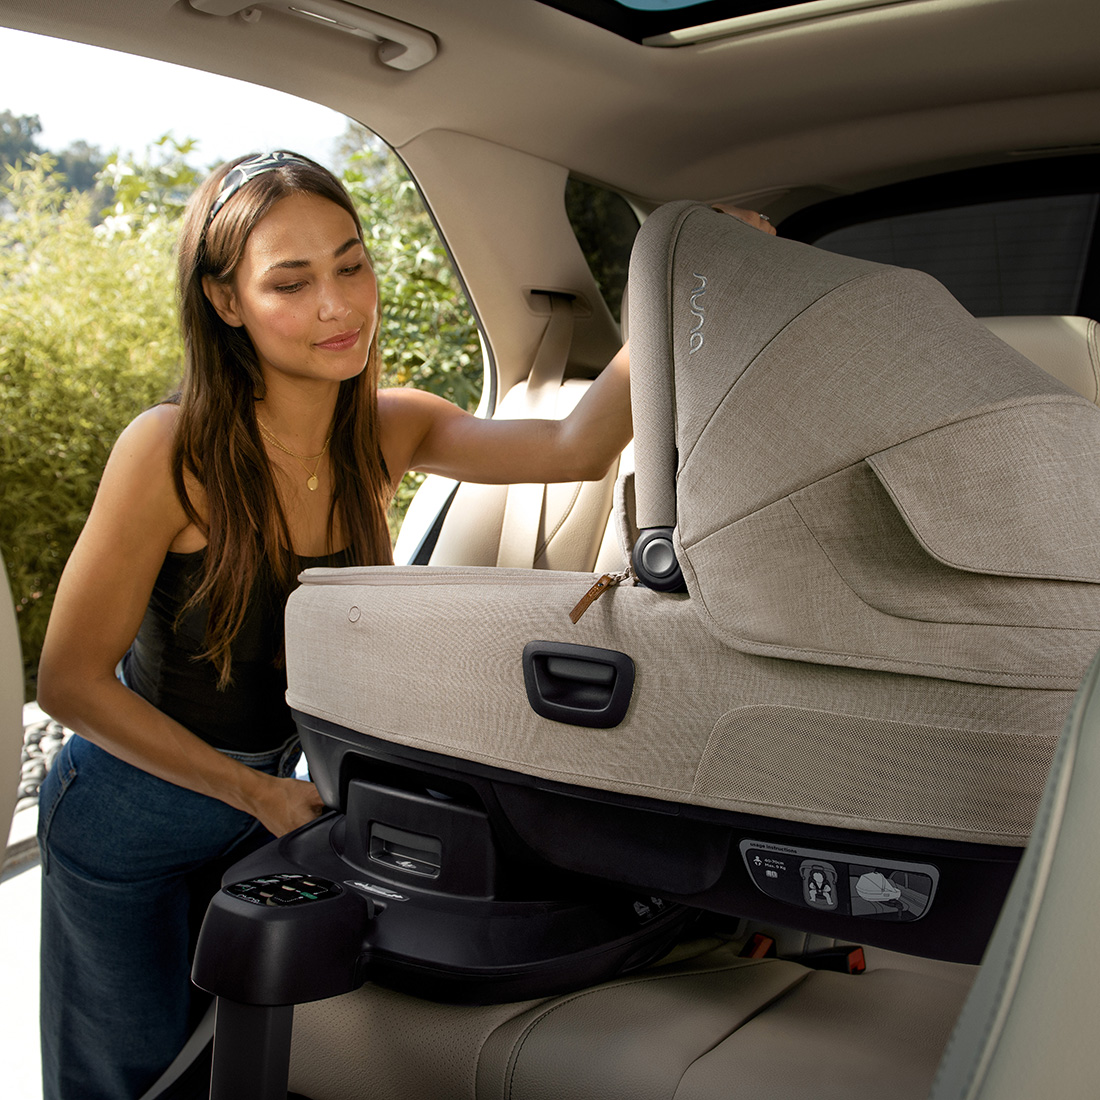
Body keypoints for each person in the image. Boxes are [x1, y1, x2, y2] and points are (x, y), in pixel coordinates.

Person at [34, 149, 773, 1100]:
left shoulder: (390, 429)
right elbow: (69, 682)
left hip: (276, 802)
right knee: (126, 1072)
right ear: (225, 301)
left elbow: (577, 446)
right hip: (130, 811)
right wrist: (254, 795)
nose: (338, 305)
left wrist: (682, 283)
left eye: (351, 265)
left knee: (231, 1057)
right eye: (291, 283)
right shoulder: (169, 449)